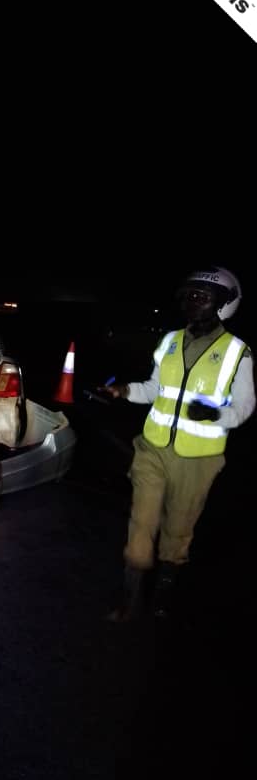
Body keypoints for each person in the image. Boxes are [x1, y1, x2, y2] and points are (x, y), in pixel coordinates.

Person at [99, 266, 255, 622]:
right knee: (141, 522)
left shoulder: (237, 352)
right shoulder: (169, 340)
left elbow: (245, 406)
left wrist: (216, 416)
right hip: (152, 448)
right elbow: (156, 389)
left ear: (225, 304)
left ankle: (163, 594)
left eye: (202, 296)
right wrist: (126, 390)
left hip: (198, 458)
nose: (192, 302)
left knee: (178, 529)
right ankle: (130, 598)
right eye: (188, 295)